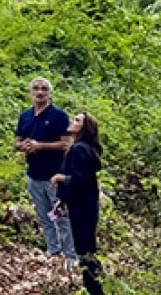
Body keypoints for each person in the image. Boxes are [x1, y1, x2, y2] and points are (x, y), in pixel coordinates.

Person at [14, 77, 77, 268]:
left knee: (62, 217)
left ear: (49, 92)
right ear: (31, 92)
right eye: (36, 88)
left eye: (43, 89)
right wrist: (23, 146)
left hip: (55, 176)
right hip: (33, 176)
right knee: (44, 216)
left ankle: (71, 256)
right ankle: (54, 252)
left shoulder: (59, 116)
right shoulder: (25, 116)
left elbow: (67, 143)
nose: (40, 92)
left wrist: (40, 146)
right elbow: (16, 142)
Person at [51, 112, 105, 295]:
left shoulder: (80, 149)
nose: (71, 122)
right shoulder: (84, 148)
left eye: (77, 120)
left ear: (85, 127)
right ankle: (97, 286)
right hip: (84, 204)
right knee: (86, 248)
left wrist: (61, 178)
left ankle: (95, 290)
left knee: (85, 250)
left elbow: (80, 179)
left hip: (83, 206)